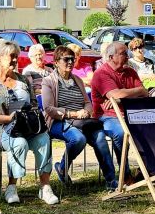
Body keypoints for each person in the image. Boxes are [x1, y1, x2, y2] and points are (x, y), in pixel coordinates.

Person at [0, 40, 56, 205]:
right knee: (19, 143)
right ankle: (11, 187)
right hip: (0, 128)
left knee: (44, 140)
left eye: (16, 57)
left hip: (26, 126)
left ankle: (45, 187)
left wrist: (32, 117)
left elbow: (33, 104)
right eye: (11, 56)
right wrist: (9, 118)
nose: (15, 60)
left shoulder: (23, 80)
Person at [42, 45, 118, 191]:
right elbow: (49, 109)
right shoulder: (49, 81)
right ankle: (63, 167)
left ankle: (111, 181)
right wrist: (73, 114)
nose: (71, 62)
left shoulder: (77, 80)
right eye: (66, 59)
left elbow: (88, 102)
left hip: (82, 121)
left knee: (100, 138)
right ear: (56, 62)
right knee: (78, 139)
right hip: (59, 121)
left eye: (72, 59)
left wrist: (87, 111)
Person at [90, 41, 148, 170]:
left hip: (132, 114)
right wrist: (135, 92)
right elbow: (116, 94)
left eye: (127, 53)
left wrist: (121, 99)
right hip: (107, 116)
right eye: (123, 54)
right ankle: (125, 173)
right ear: (111, 57)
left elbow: (144, 93)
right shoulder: (101, 74)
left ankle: (149, 169)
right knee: (121, 133)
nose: (128, 56)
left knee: (153, 128)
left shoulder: (130, 72)